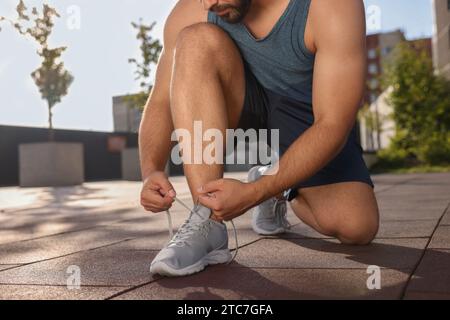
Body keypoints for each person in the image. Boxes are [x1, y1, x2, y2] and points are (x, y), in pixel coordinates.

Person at [139, 0, 380, 277]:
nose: (209, 3)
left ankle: (272, 183)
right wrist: (151, 169)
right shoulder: (192, 10)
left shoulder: (331, 6)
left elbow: (333, 124)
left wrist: (257, 192)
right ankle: (205, 220)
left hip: (305, 112)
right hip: (238, 98)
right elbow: (159, 100)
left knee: (356, 227)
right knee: (195, 40)